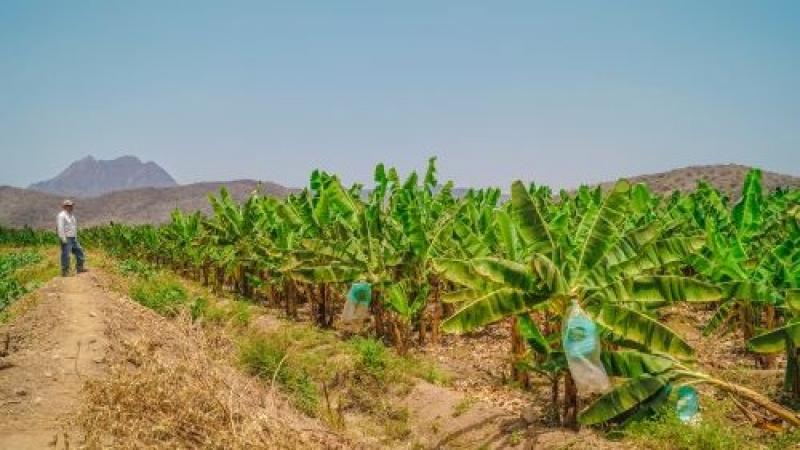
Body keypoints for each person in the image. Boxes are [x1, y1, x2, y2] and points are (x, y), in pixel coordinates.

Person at [57, 199, 86, 276]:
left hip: (73, 238)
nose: (71, 207)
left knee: (80, 251)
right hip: (66, 238)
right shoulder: (61, 215)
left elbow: (74, 227)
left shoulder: (72, 216)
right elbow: (60, 228)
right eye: (69, 206)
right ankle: (65, 272)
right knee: (66, 255)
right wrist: (63, 239)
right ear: (65, 206)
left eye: (71, 205)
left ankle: (80, 268)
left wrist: (75, 237)